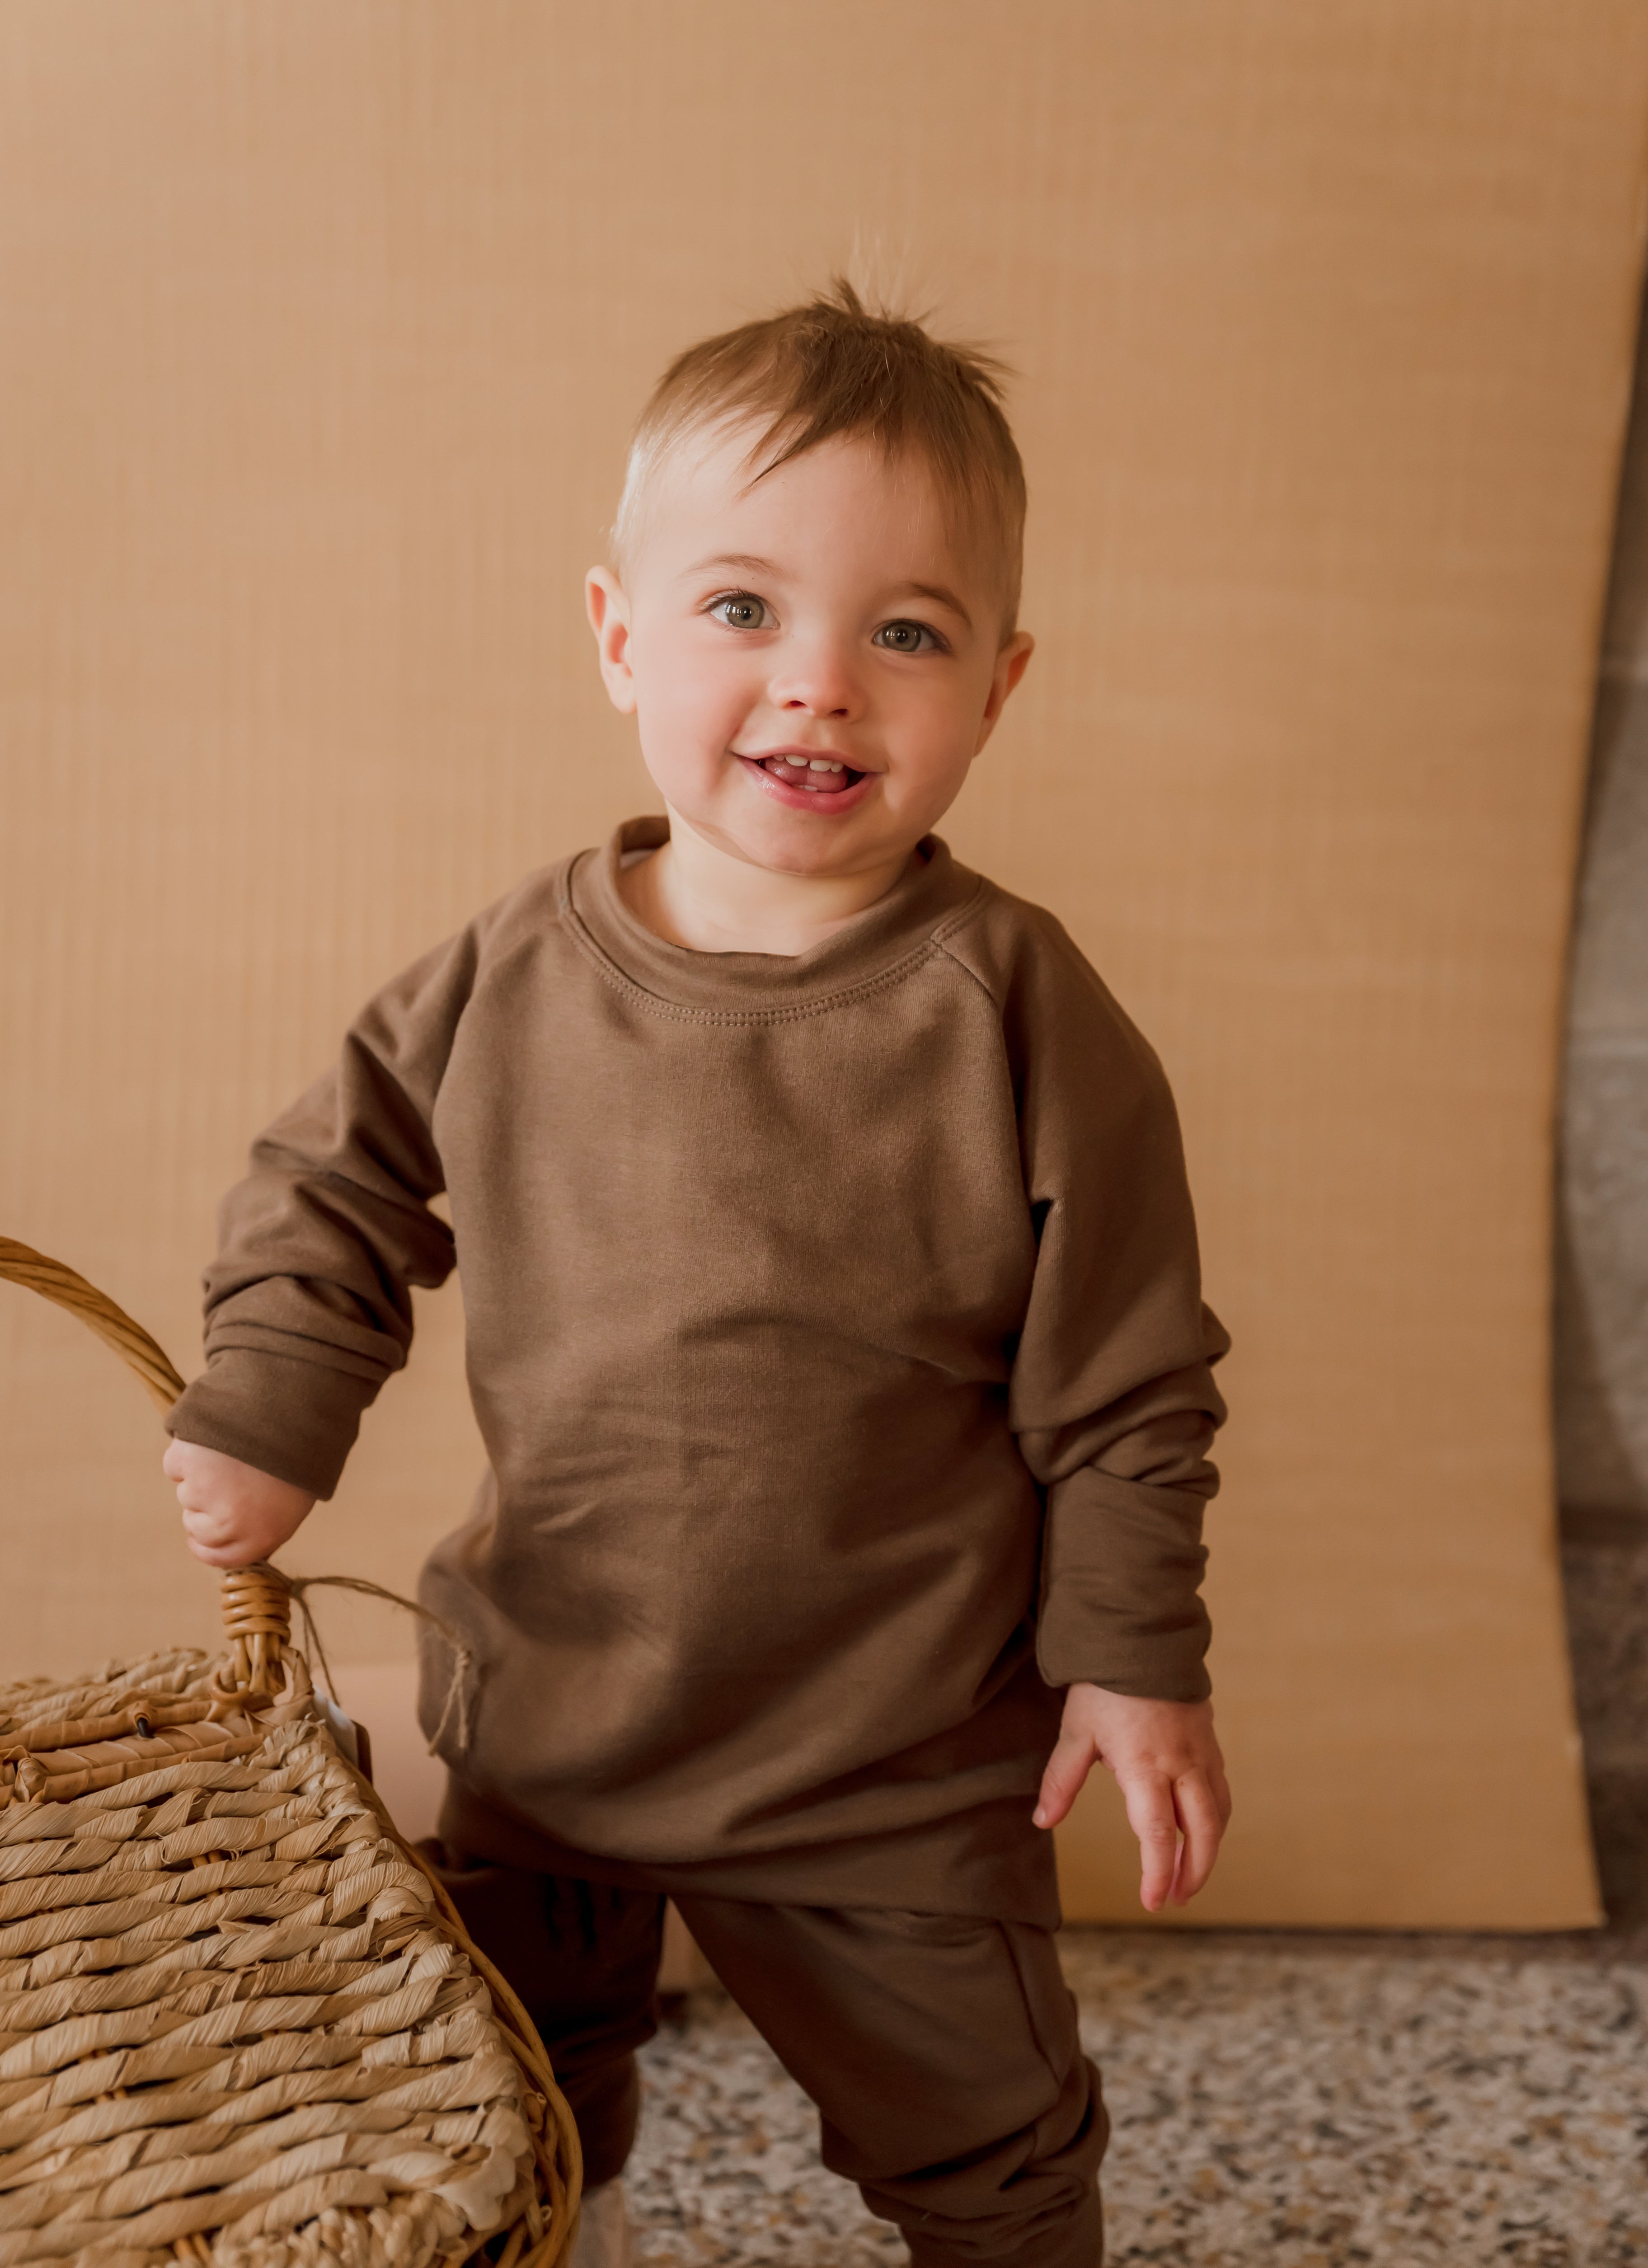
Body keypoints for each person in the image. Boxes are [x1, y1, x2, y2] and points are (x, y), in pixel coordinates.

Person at [163, 282, 1232, 2268]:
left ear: (997, 689)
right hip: (556, 1707)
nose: (819, 686)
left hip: (889, 1756)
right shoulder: (510, 972)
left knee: (984, 2132)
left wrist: (1135, 1649)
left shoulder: (1016, 1007)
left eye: (905, 634)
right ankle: (574, 2221)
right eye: (744, 609)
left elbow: (1127, 1375)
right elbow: (337, 1180)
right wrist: (275, 1401)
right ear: (619, 636)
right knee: (505, 2078)